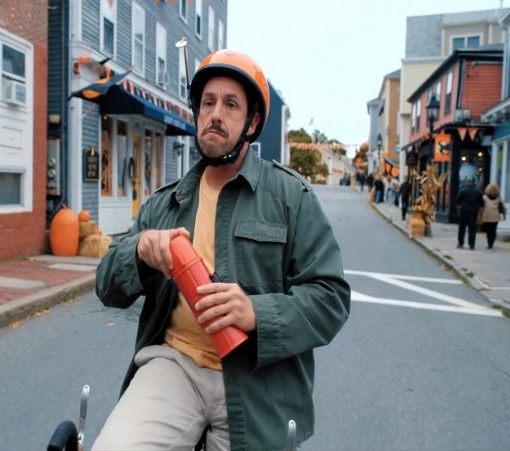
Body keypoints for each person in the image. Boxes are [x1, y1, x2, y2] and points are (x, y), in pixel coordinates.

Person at [93, 49, 351, 450]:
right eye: (208, 103)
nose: (215, 114)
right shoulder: (165, 203)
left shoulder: (292, 198)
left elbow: (331, 298)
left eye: (231, 105)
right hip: (175, 365)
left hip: (258, 382)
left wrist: (255, 312)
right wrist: (139, 250)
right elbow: (106, 285)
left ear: (253, 123)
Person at [455, 177, 484, 250]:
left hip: (464, 211)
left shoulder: (462, 191)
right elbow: (481, 203)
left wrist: (459, 210)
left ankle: (460, 243)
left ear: (467, 182)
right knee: (472, 228)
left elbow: (457, 202)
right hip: (473, 212)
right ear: (473, 183)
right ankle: (471, 244)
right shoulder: (478, 192)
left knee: (462, 228)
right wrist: (480, 213)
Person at [481, 183, 506, 249]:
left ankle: (489, 243)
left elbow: (481, 206)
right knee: (493, 230)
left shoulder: (484, 197)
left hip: (487, 215)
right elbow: (501, 207)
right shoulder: (498, 198)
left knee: (488, 230)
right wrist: (504, 215)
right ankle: (492, 242)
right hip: (495, 215)